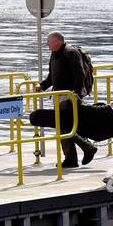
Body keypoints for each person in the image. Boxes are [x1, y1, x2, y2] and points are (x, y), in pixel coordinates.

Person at [39, 31, 97, 168]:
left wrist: (75, 94)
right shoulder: (55, 54)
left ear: (57, 41)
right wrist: (42, 86)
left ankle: (85, 149)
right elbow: (52, 76)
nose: (47, 44)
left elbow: (80, 74)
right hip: (59, 96)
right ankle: (72, 158)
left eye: (49, 41)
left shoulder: (70, 52)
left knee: (64, 126)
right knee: (63, 127)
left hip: (69, 96)